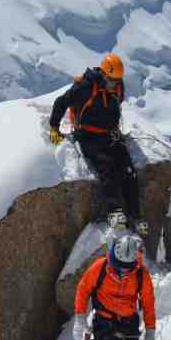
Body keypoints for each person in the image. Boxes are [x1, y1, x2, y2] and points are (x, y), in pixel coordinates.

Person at [48, 53, 146, 234]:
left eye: (117, 81)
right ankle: (115, 212)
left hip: (110, 134)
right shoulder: (86, 87)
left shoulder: (117, 86)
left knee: (128, 170)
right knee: (106, 168)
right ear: (103, 74)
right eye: (111, 81)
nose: (114, 85)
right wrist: (54, 126)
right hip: (88, 135)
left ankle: (136, 215)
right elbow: (61, 102)